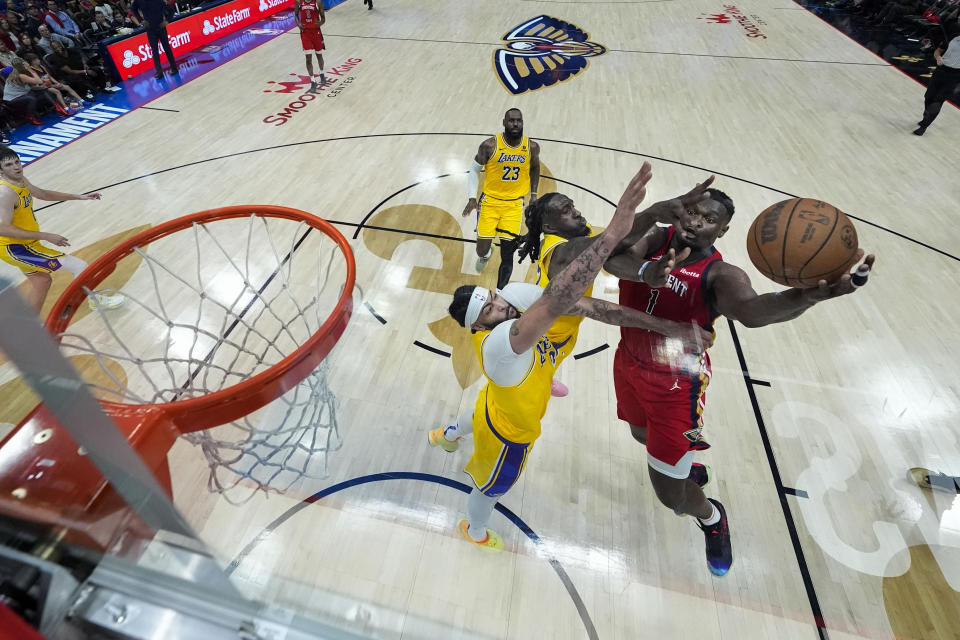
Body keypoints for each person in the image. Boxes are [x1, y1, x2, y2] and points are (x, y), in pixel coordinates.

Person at [432, 164, 714, 550]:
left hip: (506, 395)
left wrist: (654, 296)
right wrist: (630, 223)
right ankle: (474, 529)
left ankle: (446, 435)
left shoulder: (514, 301)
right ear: (481, 328)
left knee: (485, 406)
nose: (504, 305)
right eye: (492, 311)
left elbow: (592, 305)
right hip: (511, 432)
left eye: (496, 299)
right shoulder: (504, 342)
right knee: (493, 484)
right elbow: (558, 301)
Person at [603, 187, 876, 576]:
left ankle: (712, 517)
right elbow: (613, 257)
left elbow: (752, 311)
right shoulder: (654, 239)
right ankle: (684, 466)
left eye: (708, 218)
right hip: (628, 360)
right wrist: (652, 215)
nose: (695, 221)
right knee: (638, 435)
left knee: (672, 499)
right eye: (692, 211)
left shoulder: (719, 274)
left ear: (724, 230)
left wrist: (807, 297)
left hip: (675, 385)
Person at [0, 146, 123, 312]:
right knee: (79, 266)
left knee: (41, 282)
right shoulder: (5, 193)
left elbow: (42, 194)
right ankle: (95, 302)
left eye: (17, 161)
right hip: (14, 248)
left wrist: (80, 196)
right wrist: (45, 235)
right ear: (0, 171)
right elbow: (2, 228)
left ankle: (31, 328)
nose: (16, 167)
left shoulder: (19, 180)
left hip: (26, 244)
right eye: (9, 165)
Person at [462, 108, 540, 289]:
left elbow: (535, 167)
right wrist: (472, 197)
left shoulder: (531, 147)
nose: (515, 124)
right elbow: (473, 170)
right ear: (504, 123)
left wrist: (534, 194)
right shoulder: (489, 146)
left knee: (508, 255)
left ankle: (501, 292)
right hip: (489, 202)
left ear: (523, 122)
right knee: (481, 251)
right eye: (511, 120)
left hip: (514, 206)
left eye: (519, 120)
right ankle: (488, 251)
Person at [914, 17, 960, 135]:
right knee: (928, 97)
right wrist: (938, 57)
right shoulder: (952, 38)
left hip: (955, 75)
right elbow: (938, 51)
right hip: (940, 70)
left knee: (938, 100)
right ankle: (926, 117)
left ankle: (924, 126)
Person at [130, 0, 177, 79]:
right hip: (150, 29)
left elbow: (171, 11)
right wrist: (141, 20)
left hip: (161, 27)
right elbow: (133, 9)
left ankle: (174, 68)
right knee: (154, 51)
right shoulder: (138, 1)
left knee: (167, 48)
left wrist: (167, 21)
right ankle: (159, 72)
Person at [294, 0, 325, 87]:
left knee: (319, 55)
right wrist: (299, 24)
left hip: (316, 32)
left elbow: (323, 18)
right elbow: (296, 15)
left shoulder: (317, 2)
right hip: (305, 33)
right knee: (308, 58)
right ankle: (313, 81)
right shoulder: (299, 2)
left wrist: (320, 23)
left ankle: (322, 73)